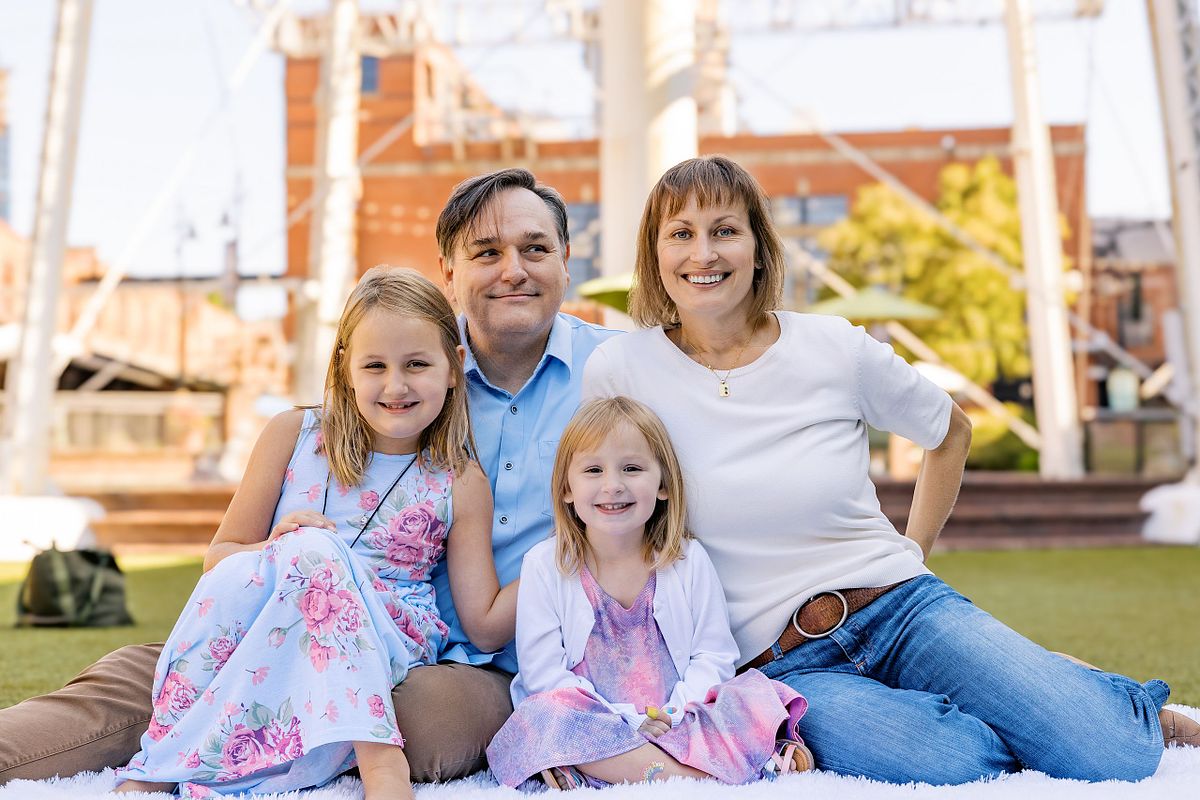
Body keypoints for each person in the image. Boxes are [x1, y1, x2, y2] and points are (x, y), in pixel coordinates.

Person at [580, 154, 1196, 785]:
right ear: (653, 254)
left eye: (724, 231)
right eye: (680, 234)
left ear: (760, 249)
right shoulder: (620, 370)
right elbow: (600, 504)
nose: (702, 253)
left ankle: (1105, 704)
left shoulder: (834, 348)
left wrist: (914, 551)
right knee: (958, 766)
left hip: (900, 606)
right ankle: (1053, 687)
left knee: (1111, 755)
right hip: (778, 666)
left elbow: (950, 431)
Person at [0, 168, 618, 787]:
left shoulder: (612, 374)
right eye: (486, 251)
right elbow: (225, 559)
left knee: (420, 723)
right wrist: (279, 552)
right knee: (141, 681)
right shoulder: (383, 369)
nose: (513, 269)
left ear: (566, 257)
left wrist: (586, 542)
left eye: (535, 248)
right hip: (268, 624)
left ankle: (222, 745)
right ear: (449, 270)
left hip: (443, 668)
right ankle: (181, 731)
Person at [112, 266, 517, 798]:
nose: (396, 385)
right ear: (346, 367)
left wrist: (568, 555)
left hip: (387, 630)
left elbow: (484, 627)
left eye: (417, 364)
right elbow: (220, 560)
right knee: (291, 555)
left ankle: (381, 763)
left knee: (315, 549)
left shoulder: (457, 479)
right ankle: (164, 756)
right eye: (375, 366)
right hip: (277, 614)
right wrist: (278, 545)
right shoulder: (292, 434)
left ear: (452, 367)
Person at [487, 397, 810, 789]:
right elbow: (543, 674)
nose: (613, 485)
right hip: (594, 721)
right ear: (567, 489)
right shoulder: (544, 565)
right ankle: (693, 776)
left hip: (680, 717)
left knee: (748, 697)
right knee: (542, 719)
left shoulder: (687, 560)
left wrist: (672, 713)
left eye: (632, 468)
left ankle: (635, 769)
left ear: (662, 486)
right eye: (593, 470)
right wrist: (628, 719)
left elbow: (714, 655)